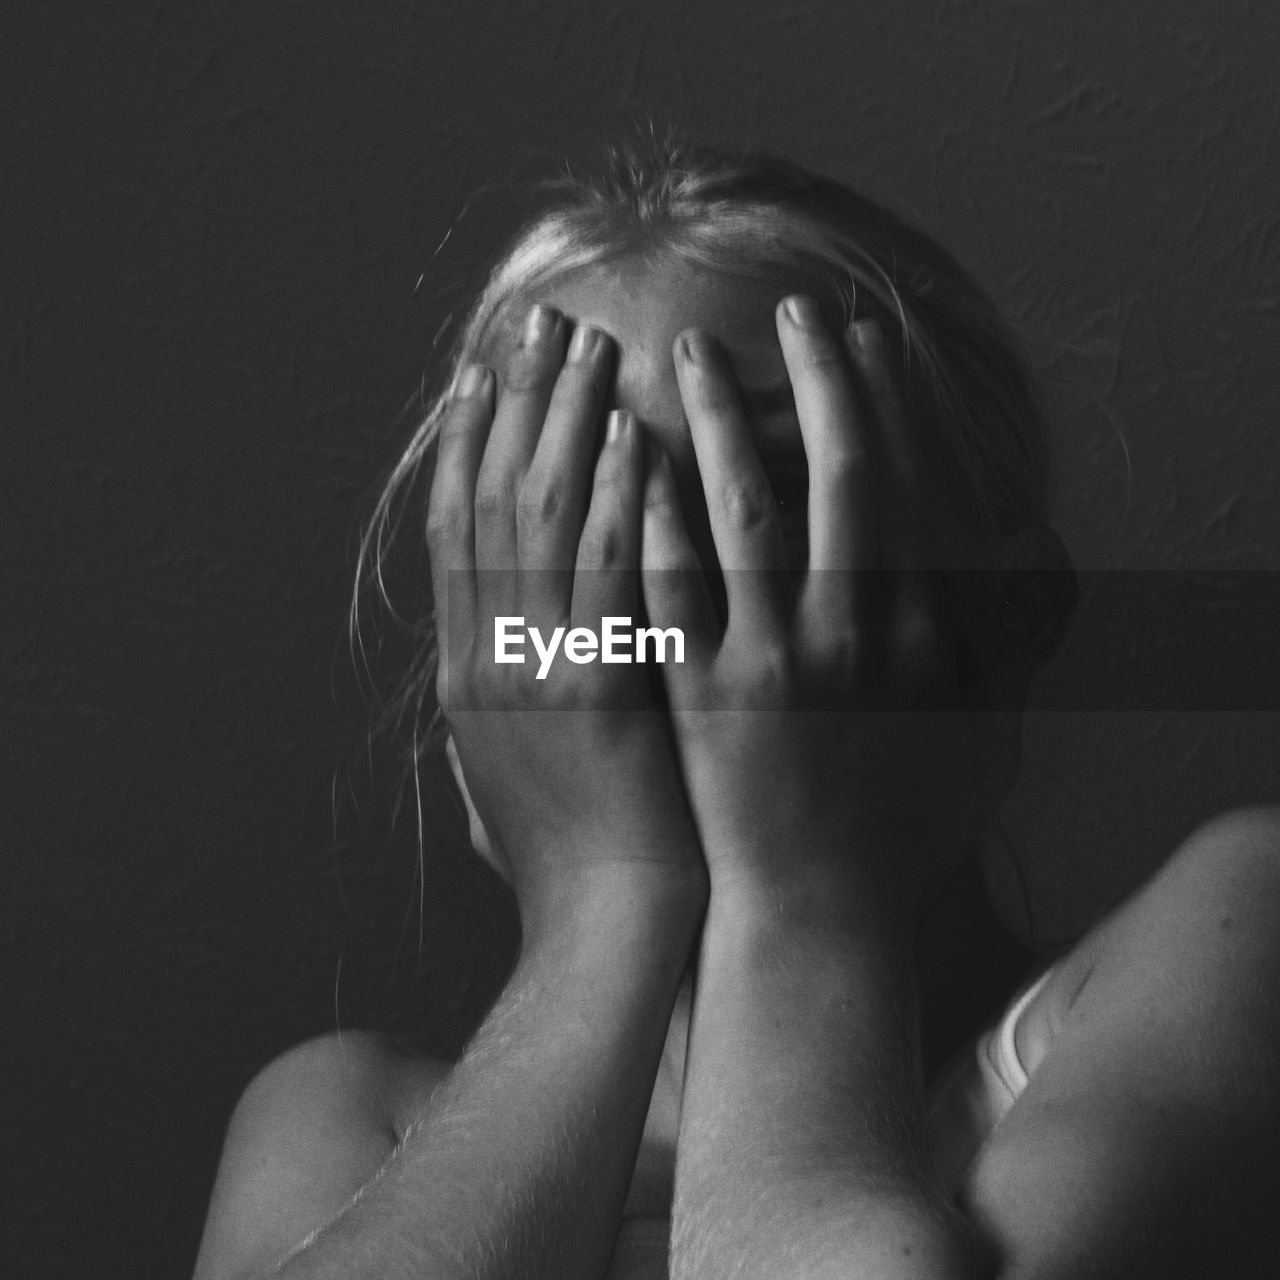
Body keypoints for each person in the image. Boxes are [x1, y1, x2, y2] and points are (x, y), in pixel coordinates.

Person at [192, 132, 1280, 1280]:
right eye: (562, 532)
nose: (657, 596)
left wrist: (801, 896)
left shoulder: (1216, 943)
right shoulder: (341, 1120)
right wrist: (602, 904)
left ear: (1000, 620)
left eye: (757, 494)